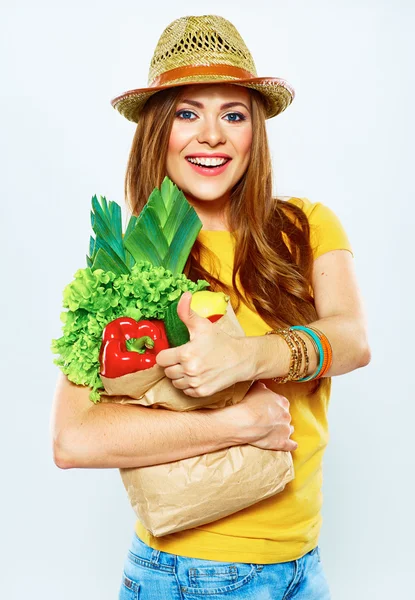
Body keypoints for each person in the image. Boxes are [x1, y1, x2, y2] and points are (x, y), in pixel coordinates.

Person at [51, 14, 371, 599]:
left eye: (233, 114)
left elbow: (352, 340)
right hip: (191, 575)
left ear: (255, 131)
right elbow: (75, 439)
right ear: (156, 131)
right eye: (187, 112)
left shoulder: (307, 226)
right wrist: (236, 423)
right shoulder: (128, 267)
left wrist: (247, 358)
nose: (212, 135)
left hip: (304, 566)